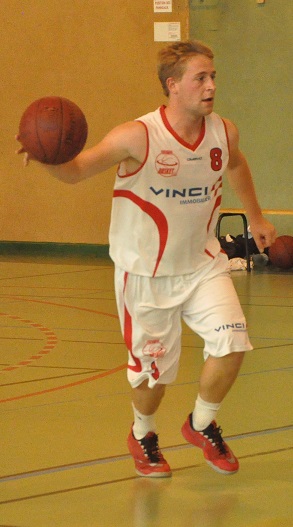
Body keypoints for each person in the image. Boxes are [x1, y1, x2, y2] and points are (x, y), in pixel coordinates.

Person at [17, 40, 276, 478]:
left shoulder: (223, 131)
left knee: (233, 342)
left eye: (213, 76)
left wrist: (255, 216)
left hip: (202, 264)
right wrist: (47, 156)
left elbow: (236, 164)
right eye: (201, 77)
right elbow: (77, 170)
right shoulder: (136, 136)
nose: (212, 85)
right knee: (154, 378)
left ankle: (201, 423)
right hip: (145, 274)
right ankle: (142, 434)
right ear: (173, 86)